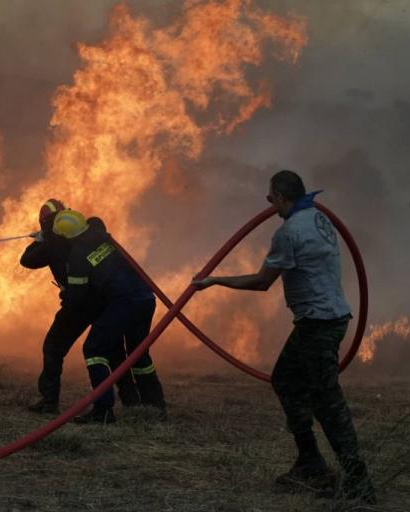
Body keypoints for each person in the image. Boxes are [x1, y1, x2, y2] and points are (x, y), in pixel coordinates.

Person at [191, 170, 375, 503]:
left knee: (327, 401)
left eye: (270, 198)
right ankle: (310, 461)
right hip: (323, 319)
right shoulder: (319, 219)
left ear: (279, 196)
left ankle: (359, 481)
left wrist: (215, 281)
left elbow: (262, 282)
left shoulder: (289, 231)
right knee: (286, 380)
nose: (269, 203)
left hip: (320, 323)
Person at [20, 199, 139, 414]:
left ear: (44, 222)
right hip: (103, 299)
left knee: (54, 347)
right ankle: (131, 401)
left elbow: (26, 260)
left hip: (77, 303)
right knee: (114, 352)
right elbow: (96, 222)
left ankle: (49, 401)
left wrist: (40, 239)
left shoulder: (51, 242)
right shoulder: (91, 230)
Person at [53, 209, 166, 424]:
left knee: (94, 349)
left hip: (124, 303)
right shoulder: (102, 236)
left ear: (66, 236)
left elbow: (76, 297)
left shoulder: (77, 254)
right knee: (139, 353)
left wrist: (65, 296)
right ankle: (155, 407)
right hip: (145, 298)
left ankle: (103, 411)